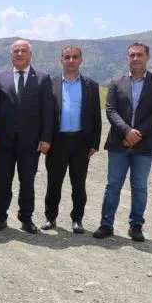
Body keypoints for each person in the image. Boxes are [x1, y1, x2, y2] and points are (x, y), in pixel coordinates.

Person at [94, 43, 152, 242]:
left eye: (139, 55)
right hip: (119, 142)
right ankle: (106, 224)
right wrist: (127, 132)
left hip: (145, 143)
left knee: (139, 187)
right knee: (113, 185)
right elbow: (110, 110)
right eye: (132, 55)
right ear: (127, 58)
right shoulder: (116, 81)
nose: (135, 58)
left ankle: (136, 226)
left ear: (147, 57)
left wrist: (136, 134)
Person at [0, 39, 54, 234]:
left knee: (27, 182)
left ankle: (26, 218)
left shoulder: (42, 78)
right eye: (16, 51)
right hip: (3, 142)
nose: (19, 54)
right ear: (11, 55)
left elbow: (48, 111)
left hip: (30, 142)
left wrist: (46, 137)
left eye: (23, 51)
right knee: (3, 181)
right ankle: (1, 217)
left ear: (30, 54)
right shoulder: (0, 77)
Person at [41, 46, 102, 233]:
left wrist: (94, 143)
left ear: (80, 60)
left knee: (78, 184)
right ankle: (50, 218)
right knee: (54, 183)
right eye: (67, 57)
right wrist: (44, 139)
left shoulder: (91, 85)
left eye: (75, 57)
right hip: (57, 142)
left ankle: (77, 220)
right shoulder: (50, 83)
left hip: (81, 142)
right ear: (61, 60)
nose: (71, 60)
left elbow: (96, 117)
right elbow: (44, 114)